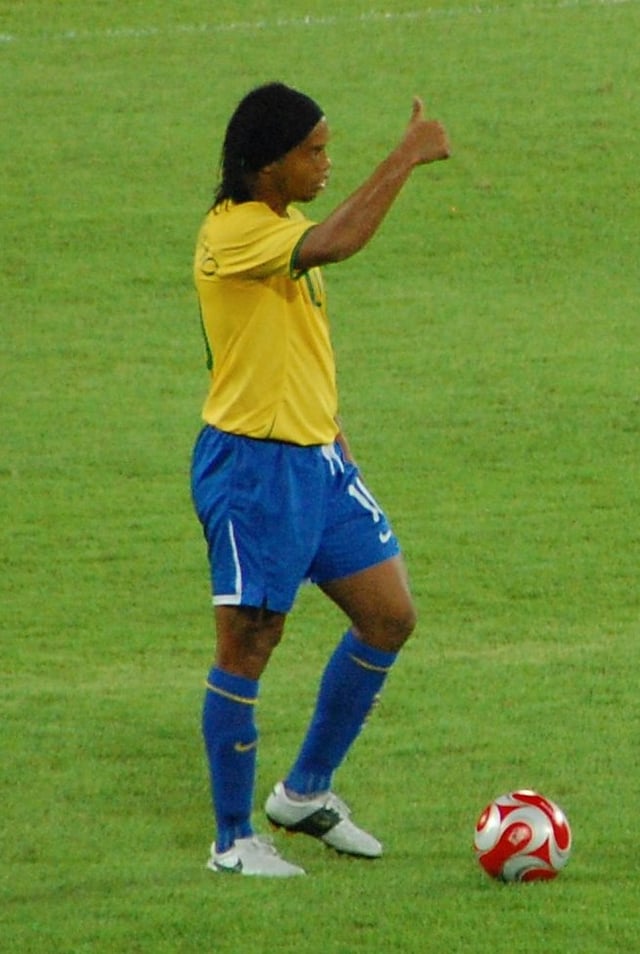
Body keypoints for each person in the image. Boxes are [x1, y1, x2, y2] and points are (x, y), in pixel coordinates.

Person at [191, 82, 450, 876]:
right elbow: (337, 243)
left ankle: (304, 794)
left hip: (318, 460)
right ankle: (233, 840)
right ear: (267, 163)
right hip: (255, 468)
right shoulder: (234, 233)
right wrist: (404, 157)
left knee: (389, 616)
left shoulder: (281, 225)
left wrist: (334, 431)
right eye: (314, 150)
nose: (325, 163)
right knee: (251, 642)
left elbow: (290, 341)